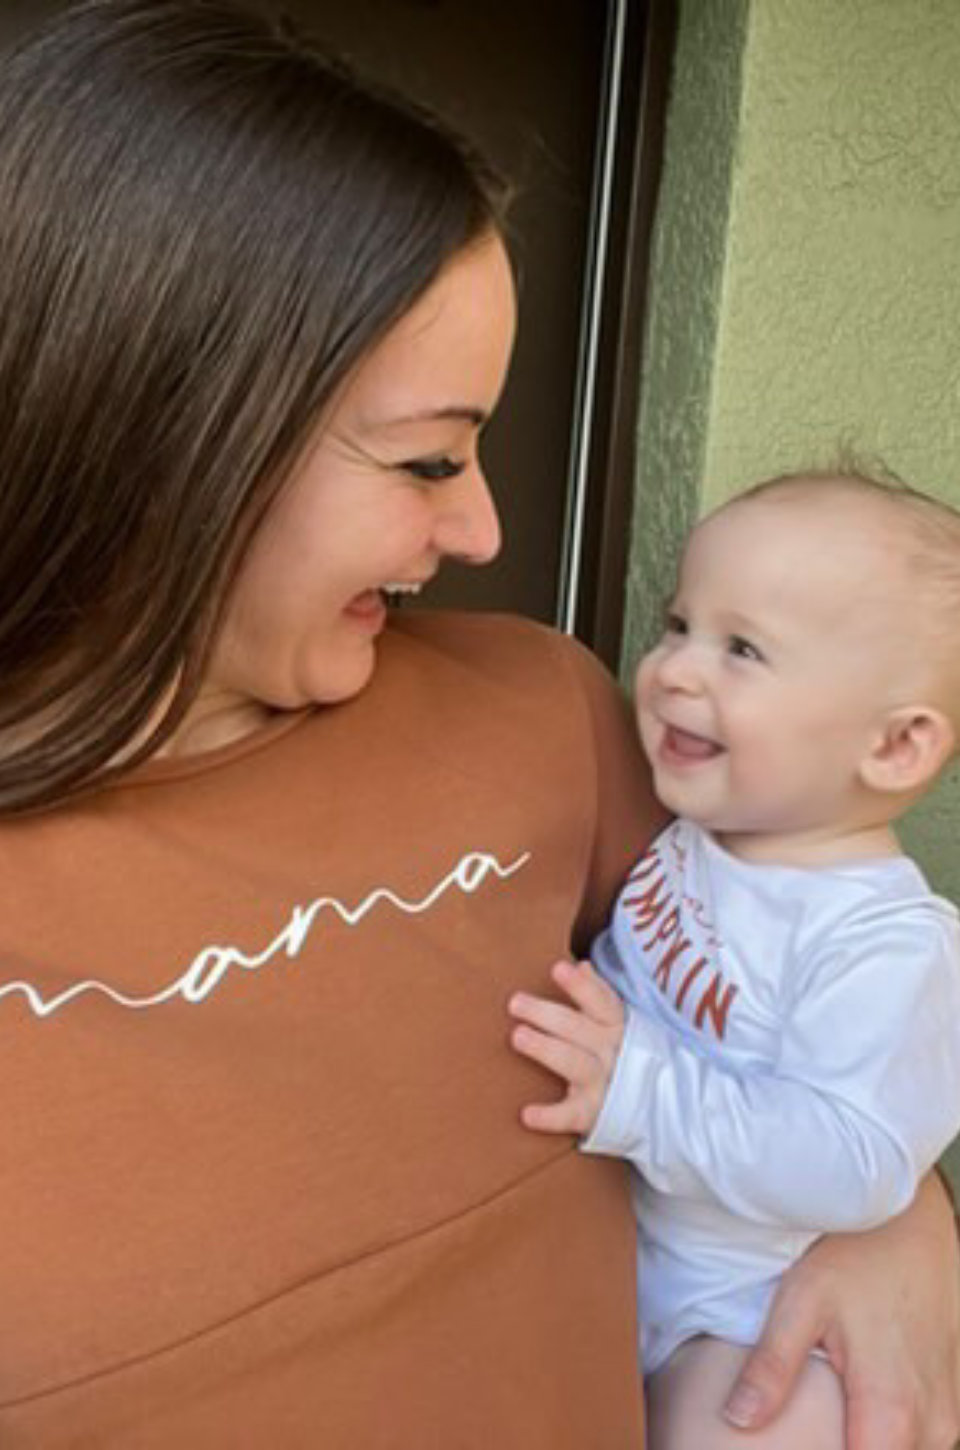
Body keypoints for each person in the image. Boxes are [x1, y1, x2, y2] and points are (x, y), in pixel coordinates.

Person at [0, 2, 956, 1443]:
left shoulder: (539, 709)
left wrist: (897, 1214)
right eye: (430, 455)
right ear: (162, 434)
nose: (484, 523)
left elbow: (815, 1001)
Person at [509, 470, 960, 1448]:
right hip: (622, 1261)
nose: (673, 669)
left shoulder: (884, 941)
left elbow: (856, 1161)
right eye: (679, 624)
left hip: (742, 1312)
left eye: (743, 648)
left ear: (893, 747)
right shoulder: (696, 829)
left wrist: (640, 1088)